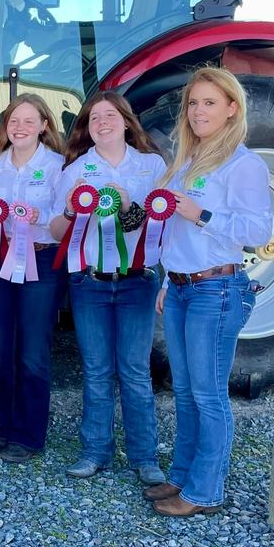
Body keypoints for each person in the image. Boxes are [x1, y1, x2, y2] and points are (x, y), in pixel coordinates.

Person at [145, 67, 270, 517]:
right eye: (194, 103)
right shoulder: (187, 160)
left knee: (208, 393)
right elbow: (174, 234)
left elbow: (258, 231)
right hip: (181, 289)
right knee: (184, 389)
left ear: (232, 109)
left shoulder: (244, 165)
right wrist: (166, 278)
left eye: (209, 103)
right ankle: (181, 476)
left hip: (216, 290)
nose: (198, 111)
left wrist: (204, 214)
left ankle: (204, 492)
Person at [49, 92, 166, 485]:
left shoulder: (151, 166)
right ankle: (94, 451)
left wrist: (132, 207)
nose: (102, 122)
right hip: (90, 283)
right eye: (94, 117)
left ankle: (144, 456)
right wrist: (69, 208)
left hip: (138, 282)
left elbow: (156, 223)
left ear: (127, 120)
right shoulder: (76, 170)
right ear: (87, 127)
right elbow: (55, 231)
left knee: (134, 371)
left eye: (110, 115)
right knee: (97, 371)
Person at [0, 94, 66, 463]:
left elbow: (65, 219)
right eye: (14, 121)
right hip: (1, 259)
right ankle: (5, 428)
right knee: (3, 350)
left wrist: (37, 218)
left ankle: (29, 436)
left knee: (32, 352)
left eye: (29, 121)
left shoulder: (58, 166)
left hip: (42, 262)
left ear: (44, 126)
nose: (20, 128)